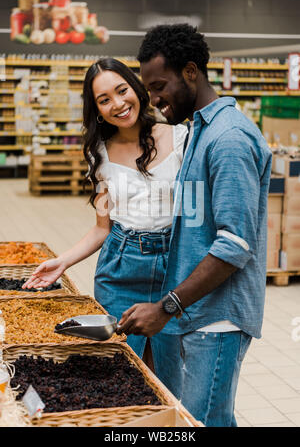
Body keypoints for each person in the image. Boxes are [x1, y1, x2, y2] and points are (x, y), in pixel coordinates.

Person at [116, 24, 273, 427]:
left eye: (159, 86)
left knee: (201, 422)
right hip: (197, 311)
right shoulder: (199, 132)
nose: (153, 99)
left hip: (218, 318)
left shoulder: (229, 139)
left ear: (190, 71)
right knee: (207, 418)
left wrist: (167, 307)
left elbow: (234, 245)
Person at [22, 57, 188, 399]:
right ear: (97, 110)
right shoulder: (100, 153)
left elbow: (197, 215)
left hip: (176, 268)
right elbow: (102, 228)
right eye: (104, 99)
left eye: (122, 90)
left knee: (170, 379)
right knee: (121, 375)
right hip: (121, 270)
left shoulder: (182, 138)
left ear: (137, 88)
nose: (118, 104)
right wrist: (63, 261)